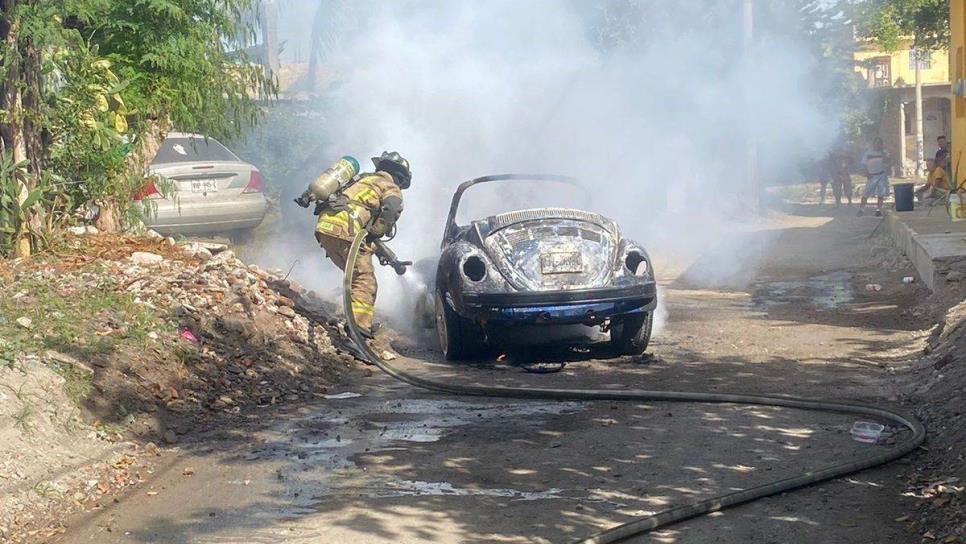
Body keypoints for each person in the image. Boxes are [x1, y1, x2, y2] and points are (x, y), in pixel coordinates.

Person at [314, 151, 411, 336]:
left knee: (355, 276)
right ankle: (358, 333)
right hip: (346, 230)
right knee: (364, 280)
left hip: (325, 227)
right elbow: (390, 210)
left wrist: (375, 245)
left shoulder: (361, 180)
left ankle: (355, 322)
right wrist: (377, 232)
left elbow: (359, 217)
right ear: (400, 178)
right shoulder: (390, 186)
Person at [858, 137, 891, 217]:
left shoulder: (884, 152)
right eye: (876, 143)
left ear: (881, 144)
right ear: (873, 144)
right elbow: (863, 164)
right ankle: (861, 210)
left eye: (879, 143)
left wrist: (882, 151)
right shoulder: (868, 153)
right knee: (866, 193)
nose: (877, 144)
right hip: (871, 175)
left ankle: (878, 210)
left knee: (881, 194)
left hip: (881, 175)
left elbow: (887, 161)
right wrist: (866, 173)